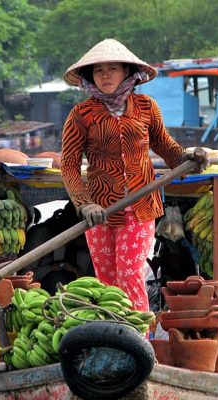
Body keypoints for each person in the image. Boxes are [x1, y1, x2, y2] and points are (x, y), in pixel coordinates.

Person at [60, 38, 208, 312]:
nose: (105, 74)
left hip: (140, 206)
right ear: (89, 77)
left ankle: (141, 340)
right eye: (99, 70)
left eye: (112, 68)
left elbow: (164, 145)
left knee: (129, 274)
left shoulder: (146, 107)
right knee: (107, 283)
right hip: (100, 210)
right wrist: (84, 204)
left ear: (127, 72)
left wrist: (188, 157)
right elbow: (68, 165)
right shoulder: (81, 114)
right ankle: (115, 336)